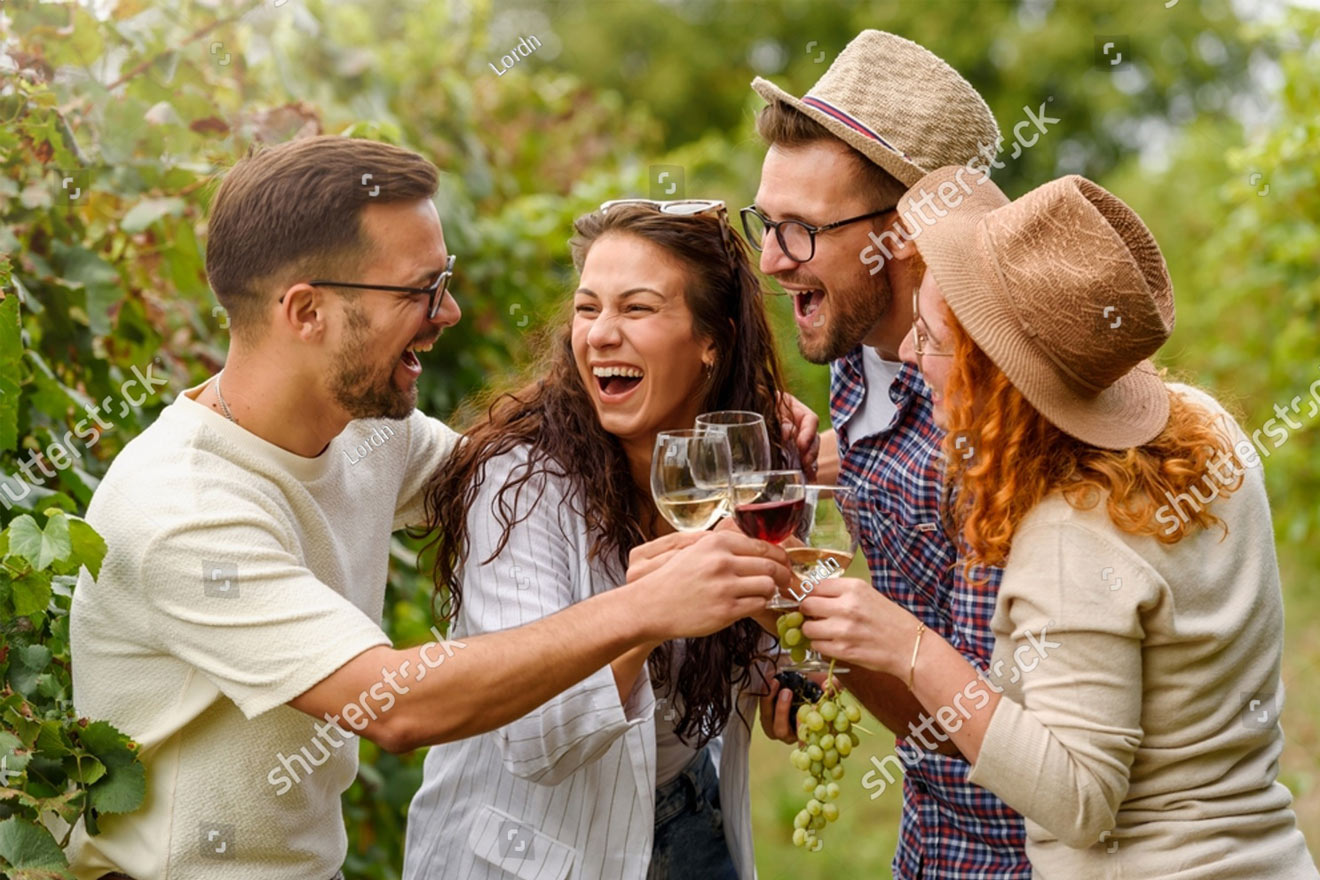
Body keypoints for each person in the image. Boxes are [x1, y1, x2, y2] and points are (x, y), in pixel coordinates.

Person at [66, 138, 795, 880]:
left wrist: (732, 424)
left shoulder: (369, 435)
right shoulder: (186, 510)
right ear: (308, 310)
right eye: (419, 288)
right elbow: (396, 708)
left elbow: (536, 473)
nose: (447, 311)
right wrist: (644, 610)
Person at [801, 168, 1320, 877]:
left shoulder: (1072, 534)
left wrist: (908, 646)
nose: (908, 356)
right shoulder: (1204, 428)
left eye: (930, 339)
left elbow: (1080, 798)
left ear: (994, 376)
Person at [402, 200, 803, 880]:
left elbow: (755, 640)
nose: (600, 335)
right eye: (589, 309)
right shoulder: (520, 482)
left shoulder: (741, 465)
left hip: (691, 826)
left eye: (637, 309)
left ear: (714, 339)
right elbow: (538, 742)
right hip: (531, 855)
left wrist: (785, 667)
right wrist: (646, 615)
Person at [745, 29, 1031, 875]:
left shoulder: (997, 423)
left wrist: (794, 600)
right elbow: (900, 482)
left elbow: (996, 747)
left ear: (903, 234)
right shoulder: (866, 349)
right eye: (766, 222)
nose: (769, 260)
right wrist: (810, 460)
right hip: (926, 840)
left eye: (798, 232)